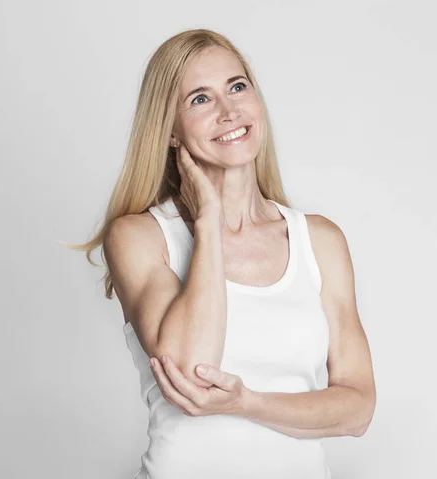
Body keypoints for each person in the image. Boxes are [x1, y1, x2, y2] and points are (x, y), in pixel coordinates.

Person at [66, 28, 376, 479]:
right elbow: (191, 373)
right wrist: (208, 222)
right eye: (200, 99)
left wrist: (247, 402)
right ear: (169, 130)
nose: (229, 111)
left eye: (237, 86)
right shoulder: (140, 237)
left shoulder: (319, 240)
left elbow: (357, 409)